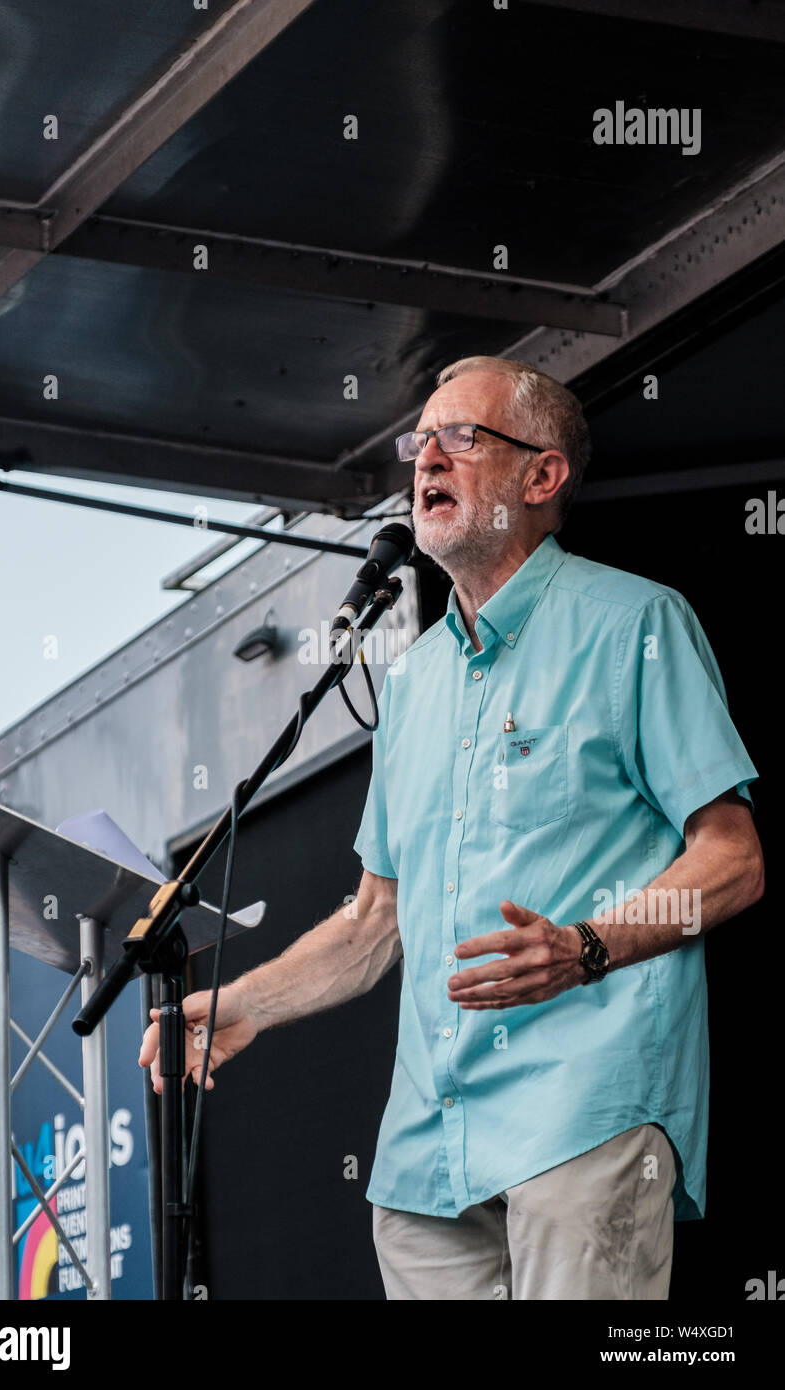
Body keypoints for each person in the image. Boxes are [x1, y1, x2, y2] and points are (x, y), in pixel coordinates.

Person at [139, 355, 763, 1300]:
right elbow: (372, 920)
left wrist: (586, 946)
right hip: (428, 1148)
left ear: (542, 475)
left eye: (460, 438)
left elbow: (734, 857)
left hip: (583, 1111)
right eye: (417, 440)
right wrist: (246, 1004)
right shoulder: (413, 680)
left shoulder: (635, 624)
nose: (426, 458)